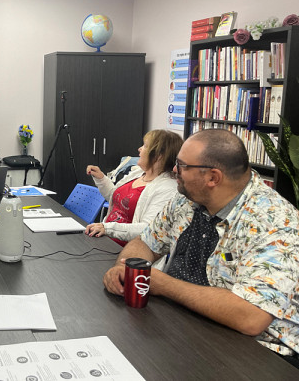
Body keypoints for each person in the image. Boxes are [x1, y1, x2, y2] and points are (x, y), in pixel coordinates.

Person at [103, 129, 299, 363]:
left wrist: (163, 284)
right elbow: (146, 241)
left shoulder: (276, 222)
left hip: (256, 352)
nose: (174, 170)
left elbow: (251, 318)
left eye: (182, 165)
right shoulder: (187, 197)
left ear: (213, 178)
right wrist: (123, 268)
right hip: (180, 324)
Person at [85, 129, 183, 246]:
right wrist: (101, 179)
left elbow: (149, 228)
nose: (139, 149)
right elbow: (115, 197)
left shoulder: (168, 188)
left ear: (159, 156)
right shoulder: (139, 173)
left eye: (145, 146)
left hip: (128, 250)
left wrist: (108, 228)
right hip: (106, 238)